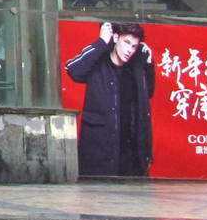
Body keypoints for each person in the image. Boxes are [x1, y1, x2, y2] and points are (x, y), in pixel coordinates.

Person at [65, 21, 156, 177]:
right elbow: (73, 70)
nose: (130, 50)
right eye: (126, 43)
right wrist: (101, 42)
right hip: (100, 152)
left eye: (134, 46)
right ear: (115, 38)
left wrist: (148, 64)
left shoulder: (137, 67)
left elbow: (149, 93)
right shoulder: (99, 62)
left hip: (132, 155)